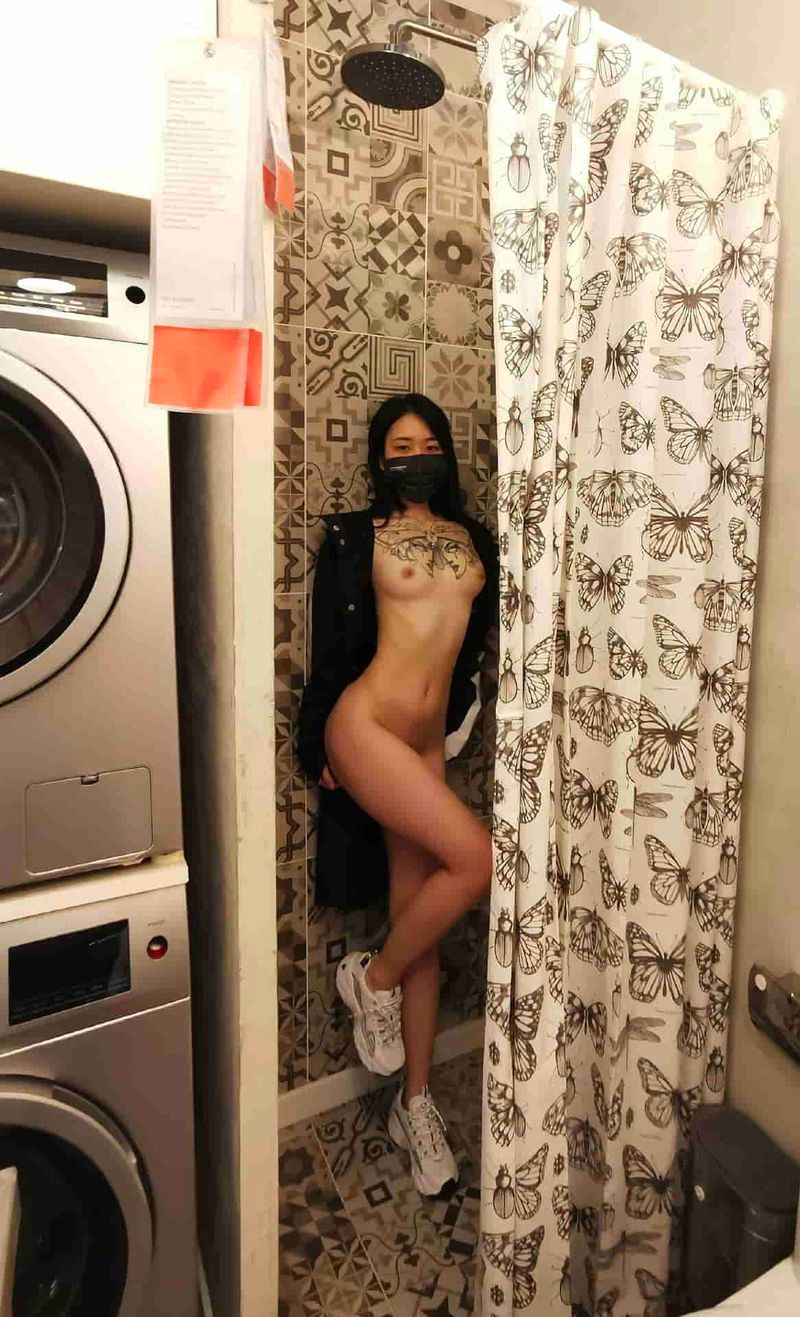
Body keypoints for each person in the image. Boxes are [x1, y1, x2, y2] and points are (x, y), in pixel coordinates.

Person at [297, 393, 499, 1195]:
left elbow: (471, 645)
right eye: (399, 446)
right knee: (477, 860)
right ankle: (370, 979)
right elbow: (328, 646)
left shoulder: (473, 539)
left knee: (424, 919)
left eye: (427, 444)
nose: (415, 457)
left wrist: (461, 715)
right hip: (367, 726)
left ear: (444, 452)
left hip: (425, 744)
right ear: (381, 460)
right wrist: (317, 745)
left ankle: (413, 1105)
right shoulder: (358, 535)